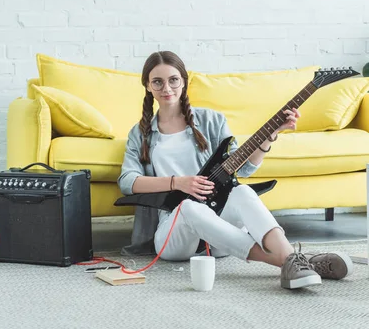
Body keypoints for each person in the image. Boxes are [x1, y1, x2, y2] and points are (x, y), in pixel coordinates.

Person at [118, 51, 353, 290]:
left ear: (184, 81)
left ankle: (293, 261)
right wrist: (178, 182)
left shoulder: (212, 121)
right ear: (148, 85)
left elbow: (247, 167)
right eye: (157, 81)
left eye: (173, 79)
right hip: (174, 237)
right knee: (188, 206)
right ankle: (292, 261)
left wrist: (270, 136)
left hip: (219, 236)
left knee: (242, 192)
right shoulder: (140, 134)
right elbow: (128, 181)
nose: (166, 87)